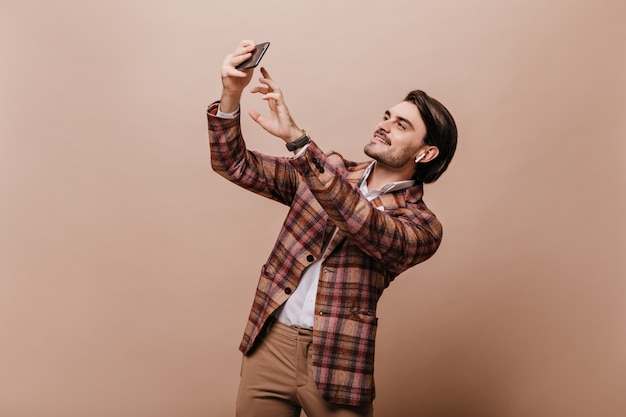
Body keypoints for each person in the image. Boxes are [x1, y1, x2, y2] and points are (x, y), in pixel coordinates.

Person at [207, 40, 458, 417]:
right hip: (269, 344)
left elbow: (362, 222)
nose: (383, 125)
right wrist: (230, 96)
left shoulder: (422, 226)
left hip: (339, 361)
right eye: (387, 116)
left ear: (426, 153)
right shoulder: (330, 168)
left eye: (401, 124)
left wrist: (298, 141)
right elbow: (234, 165)